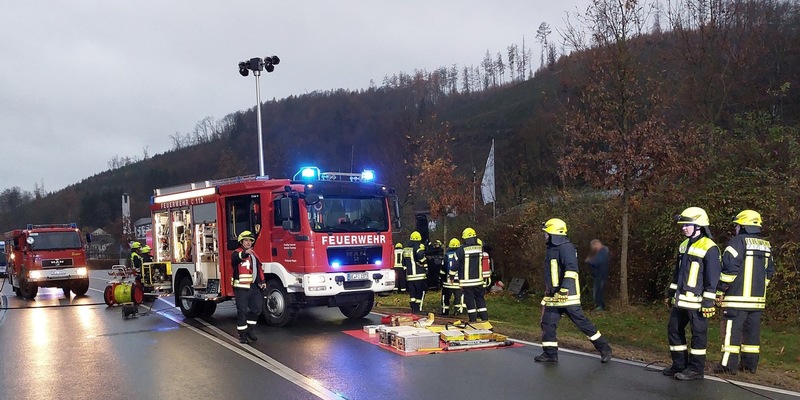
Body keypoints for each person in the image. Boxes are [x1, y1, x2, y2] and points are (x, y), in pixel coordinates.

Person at [535, 218, 612, 364]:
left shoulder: (566, 247)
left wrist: (564, 289)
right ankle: (550, 353)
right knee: (547, 323)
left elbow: (571, 270)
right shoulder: (552, 248)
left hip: (567, 295)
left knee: (581, 323)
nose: (544, 235)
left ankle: (605, 348)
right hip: (554, 295)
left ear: (554, 233)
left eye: (546, 233)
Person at [713, 210, 775, 375]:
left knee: (731, 333)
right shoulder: (766, 244)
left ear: (742, 225)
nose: (735, 228)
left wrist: (720, 290)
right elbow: (769, 272)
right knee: (752, 334)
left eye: (737, 225)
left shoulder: (737, 242)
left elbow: (729, 270)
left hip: (735, 299)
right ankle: (749, 366)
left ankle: (727, 365)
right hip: (757, 300)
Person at [664, 207, 721, 381]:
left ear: (699, 225)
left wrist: (708, 302)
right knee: (674, 330)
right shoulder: (683, 245)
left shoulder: (710, 247)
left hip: (698, 303)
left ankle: (696, 369)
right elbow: (677, 273)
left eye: (687, 225)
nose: (683, 228)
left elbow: (713, 278)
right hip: (681, 301)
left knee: (698, 335)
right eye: (682, 225)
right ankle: (679, 365)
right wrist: (671, 292)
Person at [231, 230, 266, 344]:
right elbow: (236, 259)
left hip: (253, 287)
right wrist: (245, 253)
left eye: (250, 241)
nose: (248, 243)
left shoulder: (254, 254)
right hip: (241, 288)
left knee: (257, 308)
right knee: (242, 311)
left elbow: (258, 268)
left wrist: (262, 281)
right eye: (246, 241)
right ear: (241, 242)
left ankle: (250, 330)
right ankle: (242, 334)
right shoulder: (236, 253)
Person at [454, 228, 488, 322]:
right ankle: (484, 318)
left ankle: (473, 320)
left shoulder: (461, 249)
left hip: (467, 282)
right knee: (480, 299)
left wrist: (452, 276)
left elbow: (455, 264)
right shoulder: (480, 248)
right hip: (479, 281)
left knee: (470, 301)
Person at [403, 231, 428, 314]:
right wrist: (424, 264)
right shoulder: (417, 248)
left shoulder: (405, 249)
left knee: (412, 292)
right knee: (420, 291)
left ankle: (413, 307)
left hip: (409, 276)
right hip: (419, 275)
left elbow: (403, 263)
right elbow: (421, 257)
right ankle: (418, 308)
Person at [441, 238, 464, 316]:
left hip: (448, 281)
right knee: (458, 297)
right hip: (459, 281)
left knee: (446, 297)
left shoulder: (447, 256)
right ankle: (458, 311)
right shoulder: (461, 255)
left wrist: (441, 279)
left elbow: (443, 269)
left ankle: (445, 310)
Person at [585, 239, 609, 311]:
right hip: (598, 274)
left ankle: (600, 306)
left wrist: (589, 260)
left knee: (598, 290)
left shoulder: (603, 251)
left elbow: (598, 261)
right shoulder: (600, 252)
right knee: (597, 290)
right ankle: (599, 305)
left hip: (601, 274)